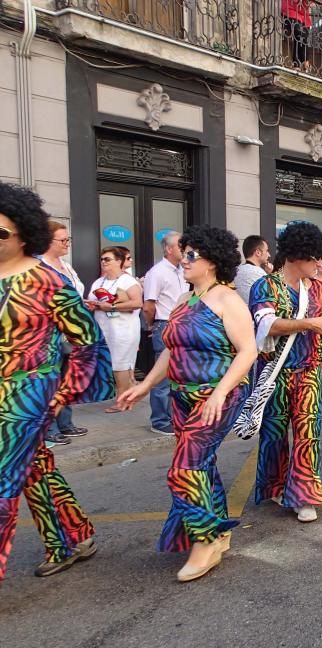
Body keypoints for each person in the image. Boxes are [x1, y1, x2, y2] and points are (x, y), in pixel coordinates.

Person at [117, 226, 256, 582]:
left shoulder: (228, 299)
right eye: (184, 253)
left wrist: (221, 393)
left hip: (215, 396)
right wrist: (145, 384)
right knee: (201, 466)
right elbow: (171, 351)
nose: (185, 260)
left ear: (212, 261)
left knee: (184, 470)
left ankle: (205, 540)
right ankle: (220, 533)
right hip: (182, 397)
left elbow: (248, 352)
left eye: (192, 255)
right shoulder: (185, 299)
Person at [0, 182, 113, 581]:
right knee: (34, 468)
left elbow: (87, 342)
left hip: (29, 391)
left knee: (3, 479)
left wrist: (64, 392)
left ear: (24, 233)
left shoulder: (48, 281)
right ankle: (72, 537)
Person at [249, 222, 322, 523]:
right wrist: (309, 324)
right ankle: (274, 485)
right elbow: (267, 323)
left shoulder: (318, 289)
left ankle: (303, 495)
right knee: (273, 434)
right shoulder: (265, 286)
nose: (319, 265)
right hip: (274, 371)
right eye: (313, 259)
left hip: (309, 370)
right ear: (296, 256)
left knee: (307, 433)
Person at [39, 221, 89, 445]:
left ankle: (66, 424)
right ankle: (47, 430)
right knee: (50, 380)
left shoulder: (66, 265)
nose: (67, 243)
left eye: (68, 239)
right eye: (63, 240)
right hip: (50, 334)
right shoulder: (39, 267)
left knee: (67, 379)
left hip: (70, 332)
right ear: (48, 242)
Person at [87, 246, 143, 407]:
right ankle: (125, 395)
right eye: (102, 259)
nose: (104, 262)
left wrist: (111, 307)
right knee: (111, 362)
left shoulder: (128, 281)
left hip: (123, 329)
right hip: (104, 329)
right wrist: (93, 305)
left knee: (121, 363)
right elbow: (95, 301)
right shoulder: (99, 281)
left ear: (119, 261)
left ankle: (122, 401)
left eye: (108, 259)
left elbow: (137, 302)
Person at [143, 232, 186, 434]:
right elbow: (149, 305)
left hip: (181, 324)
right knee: (162, 376)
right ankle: (159, 420)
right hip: (165, 324)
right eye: (180, 246)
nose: (184, 249)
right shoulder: (157, 272)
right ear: (169, 249)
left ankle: (172, 415)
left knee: (178, 374)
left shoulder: (182, 271)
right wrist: (153, 326)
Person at [234, 235, 270, 305]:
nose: (269, 255)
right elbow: (271, 299)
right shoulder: (259, 273)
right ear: (258, 252)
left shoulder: (237, 270)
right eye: (267, 250)